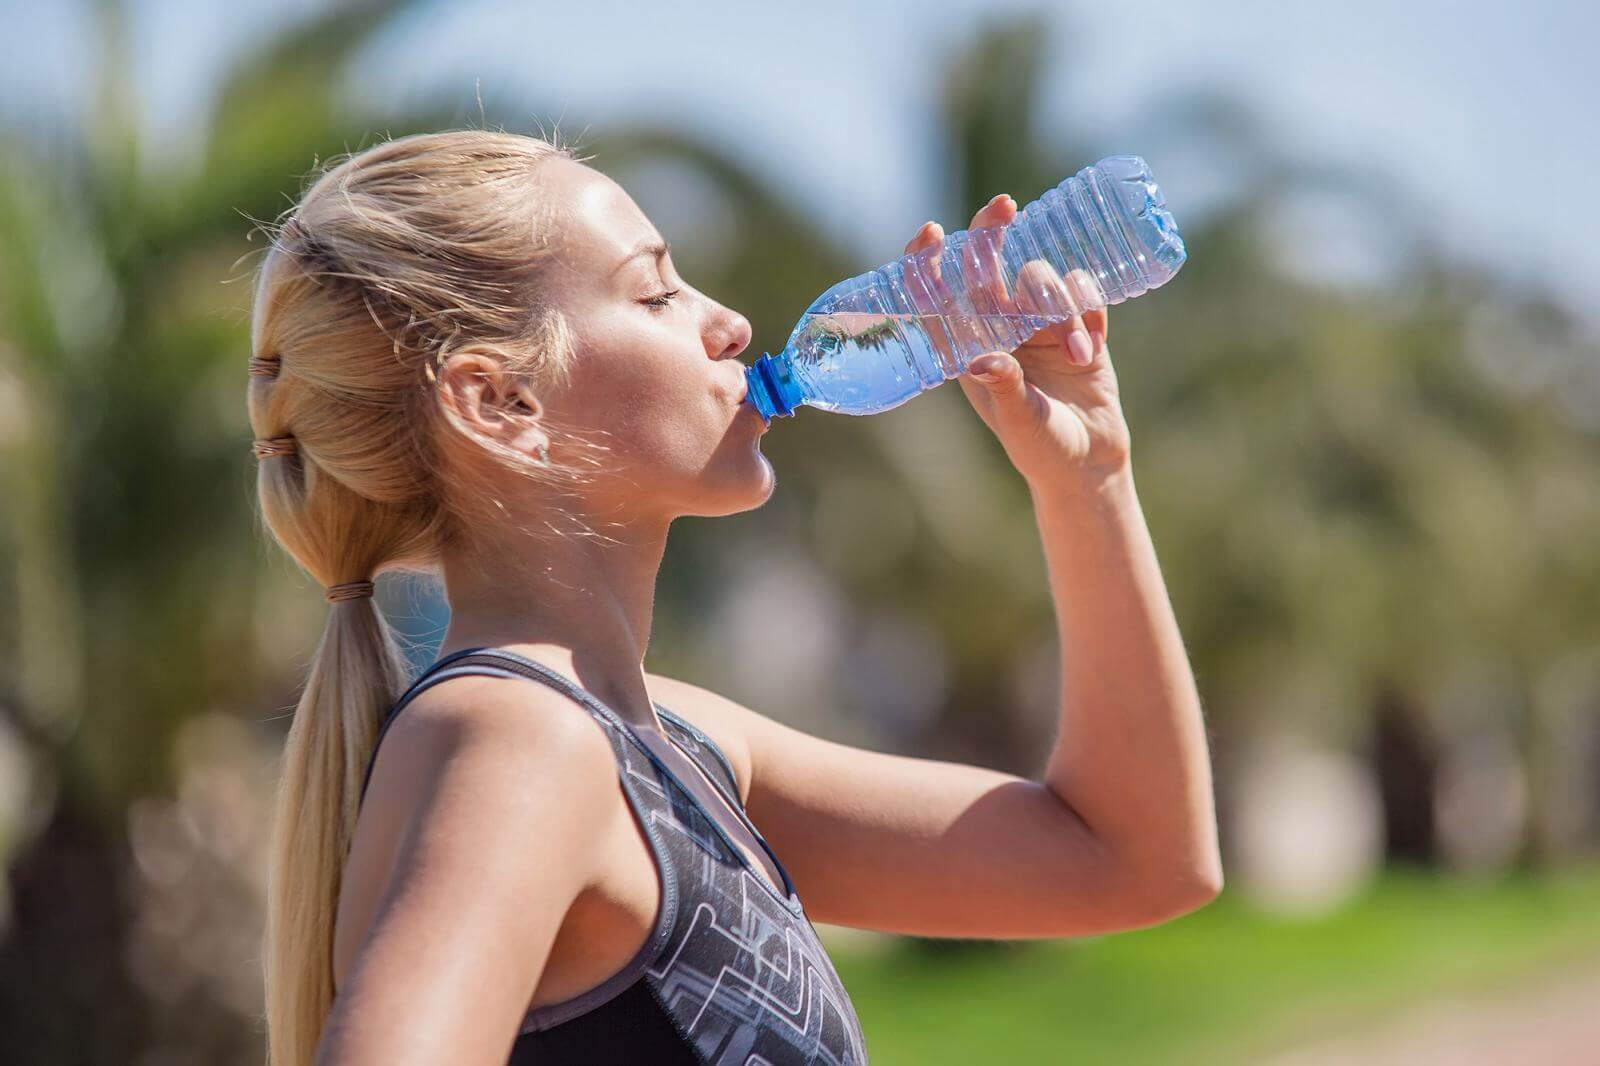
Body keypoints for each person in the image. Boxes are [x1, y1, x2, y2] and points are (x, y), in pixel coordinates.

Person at [246, 129, 1222, 1066]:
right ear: (500, 402)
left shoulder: (675, 747)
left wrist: (1088, 478)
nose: (732, 324)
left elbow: (1130, 859)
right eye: (656, 290)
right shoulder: (518, 737)